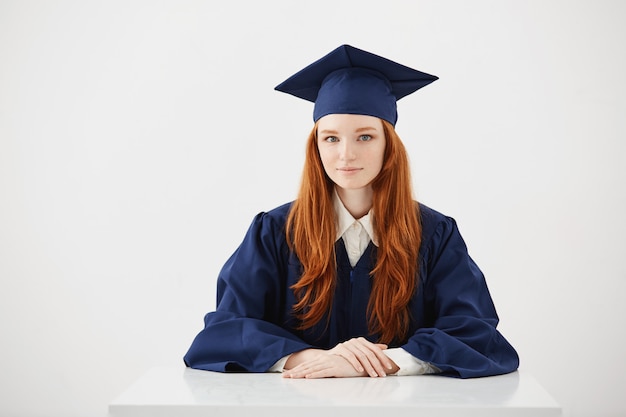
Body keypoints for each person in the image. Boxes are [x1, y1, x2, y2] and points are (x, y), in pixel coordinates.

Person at [184, 44, 519, 379]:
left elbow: (476, 334)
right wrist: (319, 359)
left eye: (364, 137)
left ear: (389, 145)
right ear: (315, 147)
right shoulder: (275, 232)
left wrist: (378, 362)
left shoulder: (433, 234)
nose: (346, 155)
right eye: (331, 138)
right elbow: (224, 332)